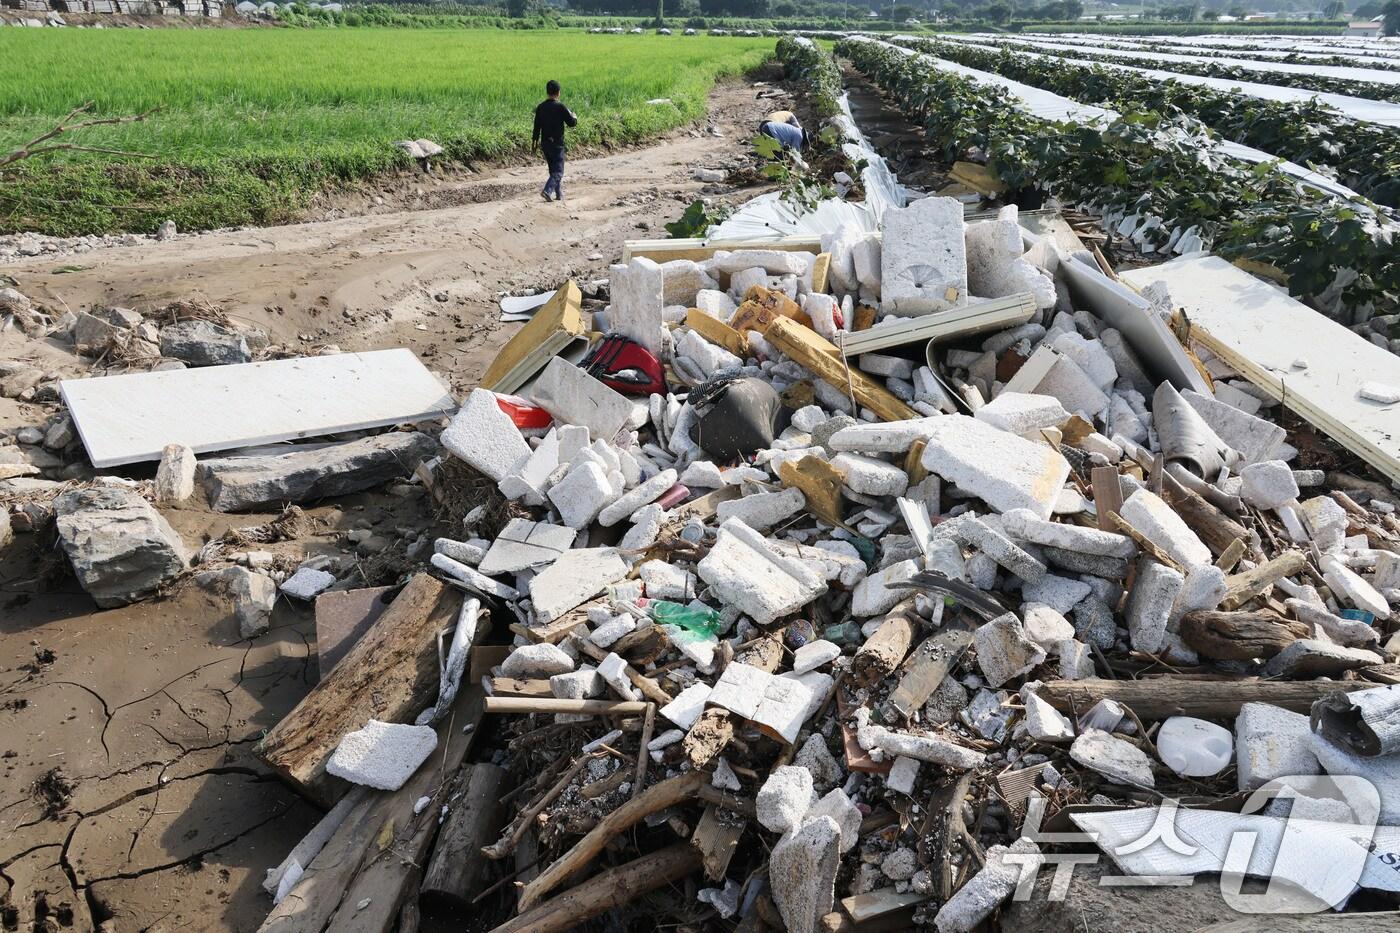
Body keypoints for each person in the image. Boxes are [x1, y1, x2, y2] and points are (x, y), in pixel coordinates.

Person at [532, 79, 578, 203]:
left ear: (547, 92)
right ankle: (547, 190)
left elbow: (536, 127)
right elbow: (571, 123)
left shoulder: (541, 107)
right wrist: (574, 116)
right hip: (557, 144)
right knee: (558, 171)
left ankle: (558, 194)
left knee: (553, 170)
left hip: (545, 144)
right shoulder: (561, 107)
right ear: (558, 93)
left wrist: (534, 143)